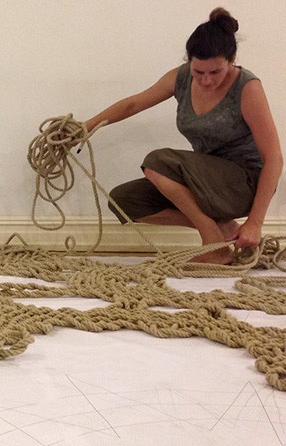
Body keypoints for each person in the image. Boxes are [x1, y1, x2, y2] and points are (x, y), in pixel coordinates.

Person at [84, 7, 282, 265]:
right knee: (124, 200)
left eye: (215, 72)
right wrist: (84, 128)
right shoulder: (181, 77)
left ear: (232, 60)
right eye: (199, 72)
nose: (206, 80)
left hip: (243, 184)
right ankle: (221, 228)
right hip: (206, 181)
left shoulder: (247, 87)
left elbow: (274, 159)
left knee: (157, 162)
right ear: (189, 61)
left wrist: (255, 222)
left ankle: (213, 244)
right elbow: (134, 104)